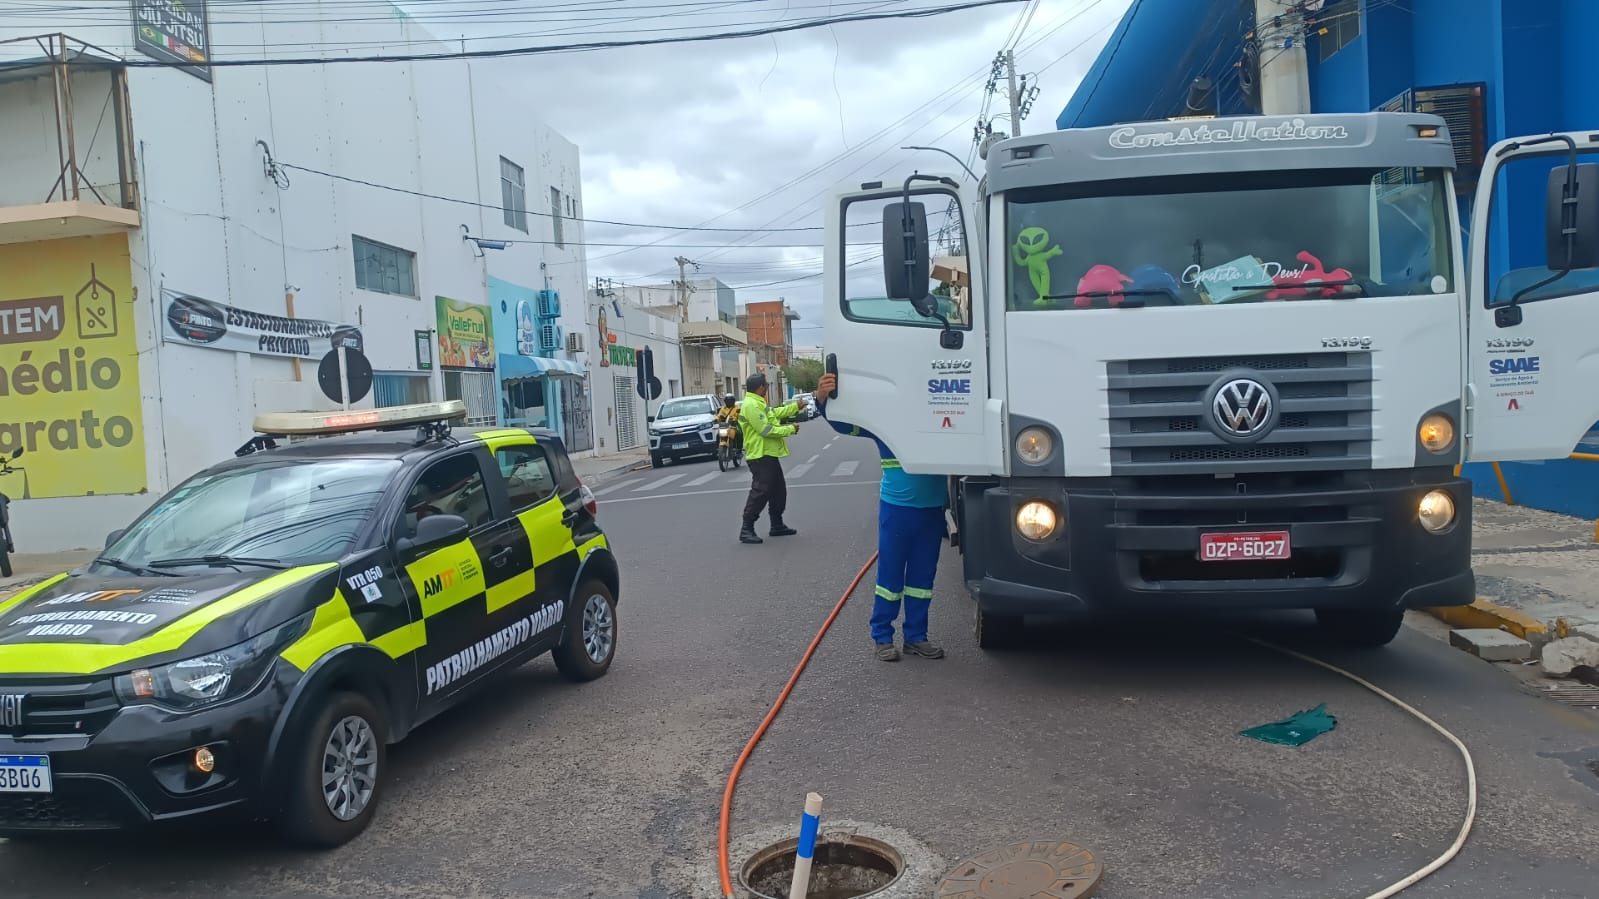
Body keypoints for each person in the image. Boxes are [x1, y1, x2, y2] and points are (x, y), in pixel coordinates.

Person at [815, 371, 946, 661]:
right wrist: (821, 399)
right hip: (897, 511)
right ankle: (882, 638)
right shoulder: (887, 426)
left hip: (932, 511)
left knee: (922, 581)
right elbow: (844, 424)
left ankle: (916, 637)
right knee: (890, 577)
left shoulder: (941, 423)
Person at [737, 372, 802, 545]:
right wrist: (790, 429)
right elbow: (766, 430)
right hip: (760, 454)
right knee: (760, 491)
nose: (767, 387)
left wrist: (795, 406)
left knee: (778, 491)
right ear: (760, 387)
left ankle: (777, 524)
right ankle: (746, 528)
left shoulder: (758, 402)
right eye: (766, 385)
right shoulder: (751, 405)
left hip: (768, 454)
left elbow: (774, 413)